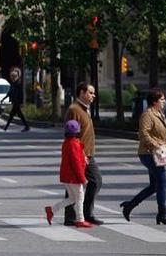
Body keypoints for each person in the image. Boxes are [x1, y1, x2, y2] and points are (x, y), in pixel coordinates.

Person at [120, 88, 166, 225]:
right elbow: (143, 134)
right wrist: (156, 145)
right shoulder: (147, 115)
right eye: (162, 100)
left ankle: (130, 206)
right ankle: (162, 215)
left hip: (158, 153)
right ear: (154, 101)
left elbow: (165, 136)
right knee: (163, 182)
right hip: (148, 153)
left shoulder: (160, 114)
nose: (164, 102)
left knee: (154, 186)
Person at [63, 82, 104, 226]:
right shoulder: (74, 109)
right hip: (82, 154)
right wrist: (81, 153)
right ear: (82, 93)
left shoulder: (84, 109)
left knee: (78, 183)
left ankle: (74, 216)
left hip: (86, 153)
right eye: (91, 92)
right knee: (94, 181)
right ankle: (82, 214)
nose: (94, 95)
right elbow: (71, 134)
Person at [44, 120, 93, 228]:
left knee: (72, 198)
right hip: (74, 176)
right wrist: (82, 178)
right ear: (77, 131)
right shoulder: (74, 144)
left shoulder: (67, 142)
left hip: (67, 176)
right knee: (80, 196)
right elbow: (75, 163)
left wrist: (83, 158)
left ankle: (52, 210)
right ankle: (80, 219)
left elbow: (75, 158)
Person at [1, 67, 30, 132]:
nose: (11, 77)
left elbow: (20, 93)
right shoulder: (13, 83)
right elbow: (10, 92)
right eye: (11, 76)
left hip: (17, 101)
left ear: (16, 76)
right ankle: (26, 126)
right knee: (17, 115)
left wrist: (21, 102)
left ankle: (6, 127)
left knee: (12, 115)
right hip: (15, 101)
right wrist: (4, 98)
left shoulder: (18, 83)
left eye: (13, 76)